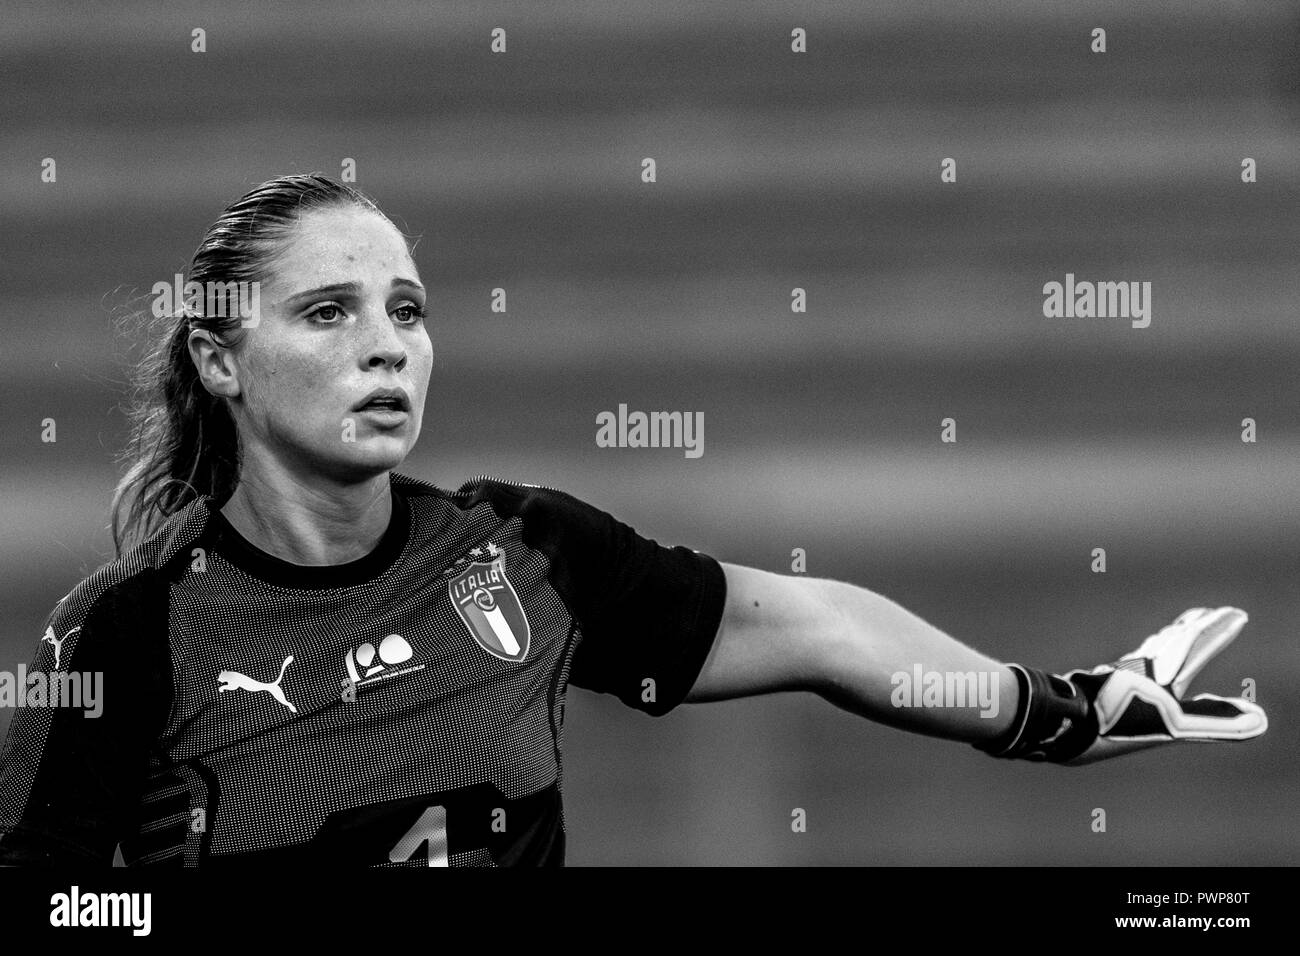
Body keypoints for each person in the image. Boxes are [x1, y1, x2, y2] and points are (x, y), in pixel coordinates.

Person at [0, 174, 1267, 867]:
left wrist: (1057, 711)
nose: (387, 345)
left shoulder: (520, 553)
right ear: (223, 361)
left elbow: (821, 623)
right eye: (329, 312)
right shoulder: (129, 627)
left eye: (408, 308)